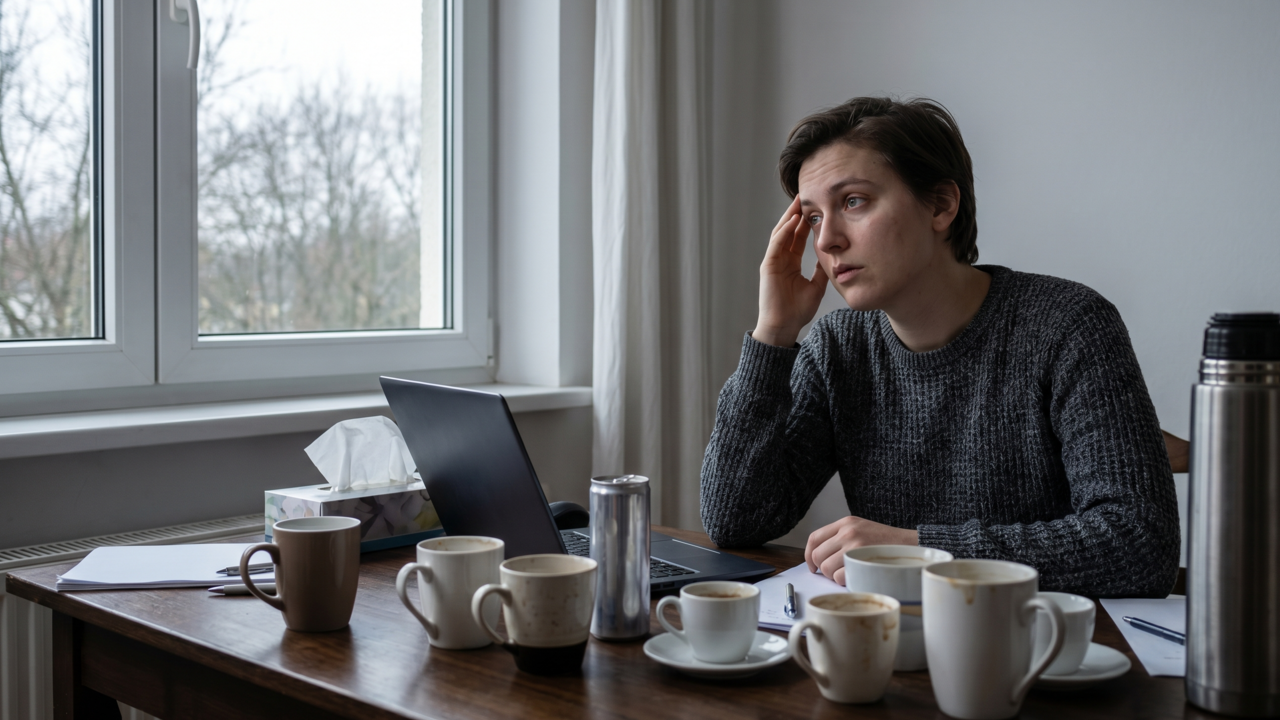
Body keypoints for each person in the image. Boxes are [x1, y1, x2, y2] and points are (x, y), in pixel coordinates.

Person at [699, 97, 1180, 597]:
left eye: (854, 201)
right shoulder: (837, 349)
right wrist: (772, 335)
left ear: (942, 205)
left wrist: (923, 553)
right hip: (894, 649)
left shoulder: (1068, 325)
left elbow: (1141, 546)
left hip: (1036, 653)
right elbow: (736, 518)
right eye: (815, 217)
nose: (829, 241)